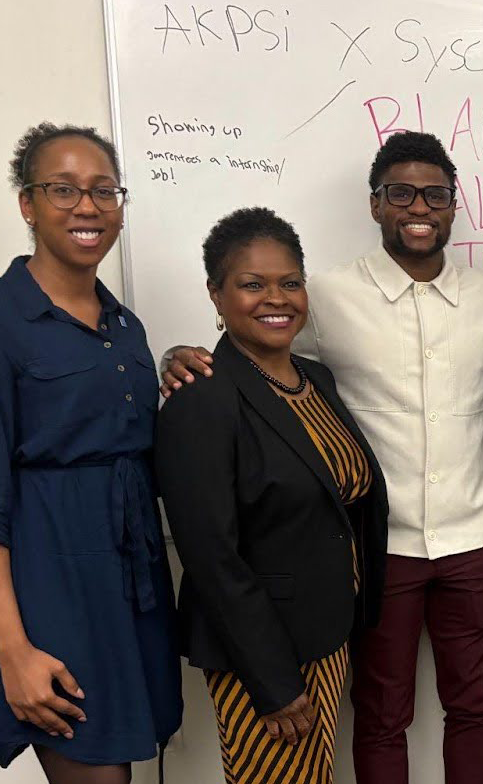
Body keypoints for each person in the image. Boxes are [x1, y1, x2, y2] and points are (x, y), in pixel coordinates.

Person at [161, 131, 483, 784]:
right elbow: (254, 356)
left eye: (435, 193)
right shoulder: (322, 297)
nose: (419, 205)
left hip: (474, 538)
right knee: (380, 713)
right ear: (375, 203)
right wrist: (178, 356)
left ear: (453, 204)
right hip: (379, 552)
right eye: (400, 191)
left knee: (476, 707)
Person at [0, 123, 182, 783]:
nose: (88, 207)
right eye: (63, 189)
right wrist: (13, 651)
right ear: (27, 204)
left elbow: (131, 442)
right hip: (48, 591)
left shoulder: (124, 326)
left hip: (131, 583)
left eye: (104, 191)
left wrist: (173, 371)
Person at [156, 207, 388, 783]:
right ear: (216, 294)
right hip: (263, 656)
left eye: (290, 282)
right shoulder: (202, 397)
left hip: (324, 635)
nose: (275, 298)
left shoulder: (315, 380)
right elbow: (211, 556)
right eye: (252, 285)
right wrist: (274, 683)